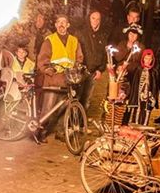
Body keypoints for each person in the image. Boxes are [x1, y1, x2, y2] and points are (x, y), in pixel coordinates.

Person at [36, 14, 83, 143]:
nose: (62, 25)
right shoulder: (49, 40)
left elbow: (78, 58)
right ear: (56, 25)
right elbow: (42, 59)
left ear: (68, 25)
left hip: (68, 80)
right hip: (53, 80)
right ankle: (40, 132)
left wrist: (78, 67)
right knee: (49, 108)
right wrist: (47, 69)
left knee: (66, 107)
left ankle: (61, 132)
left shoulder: (74, 40)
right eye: (59, 22)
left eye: (64, 22)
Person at [75, 10, 109, 110]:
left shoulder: (103, 36)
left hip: (93, 72)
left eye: (98, 19)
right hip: (81, 71)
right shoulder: (80, 33)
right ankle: (72, 122)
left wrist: (100, 70)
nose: (95, 21)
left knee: (87, 100)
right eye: (93, 18)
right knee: (77, 97)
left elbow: (104, 54)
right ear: (89, 18)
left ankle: (82, 124)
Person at [127, 49, 158, 125]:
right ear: (143, 59)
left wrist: (152, 95)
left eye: (150, 59)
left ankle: (144, 127)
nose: (147, 61)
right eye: (146, 58)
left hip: (148, 96)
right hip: (138, 95)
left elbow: (155, 86)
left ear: (152, 60)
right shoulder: (138, 70)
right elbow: (135, 84)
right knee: (137, 110)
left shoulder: (153, 72)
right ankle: (135, 127)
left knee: (146, 111)